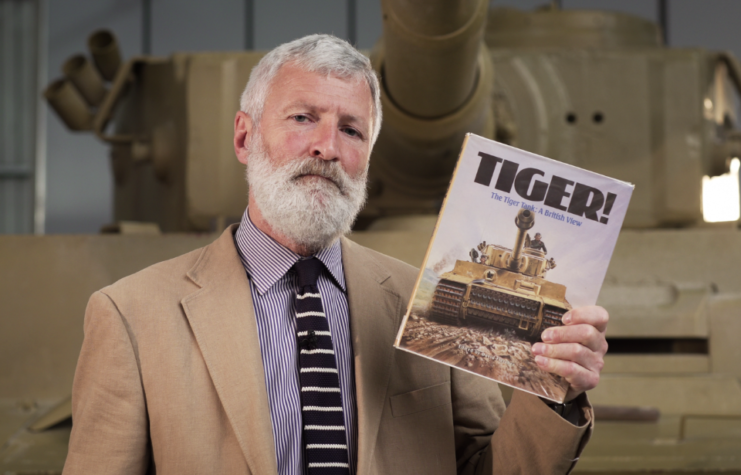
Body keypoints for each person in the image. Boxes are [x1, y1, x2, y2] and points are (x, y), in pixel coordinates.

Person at [63, 35, 608, 475]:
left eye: (351, 129)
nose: (327, 147)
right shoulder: (131, 315)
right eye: (302, 118)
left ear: (367, 156)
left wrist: (552, 391)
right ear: (244, 138)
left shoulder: (429, 302)